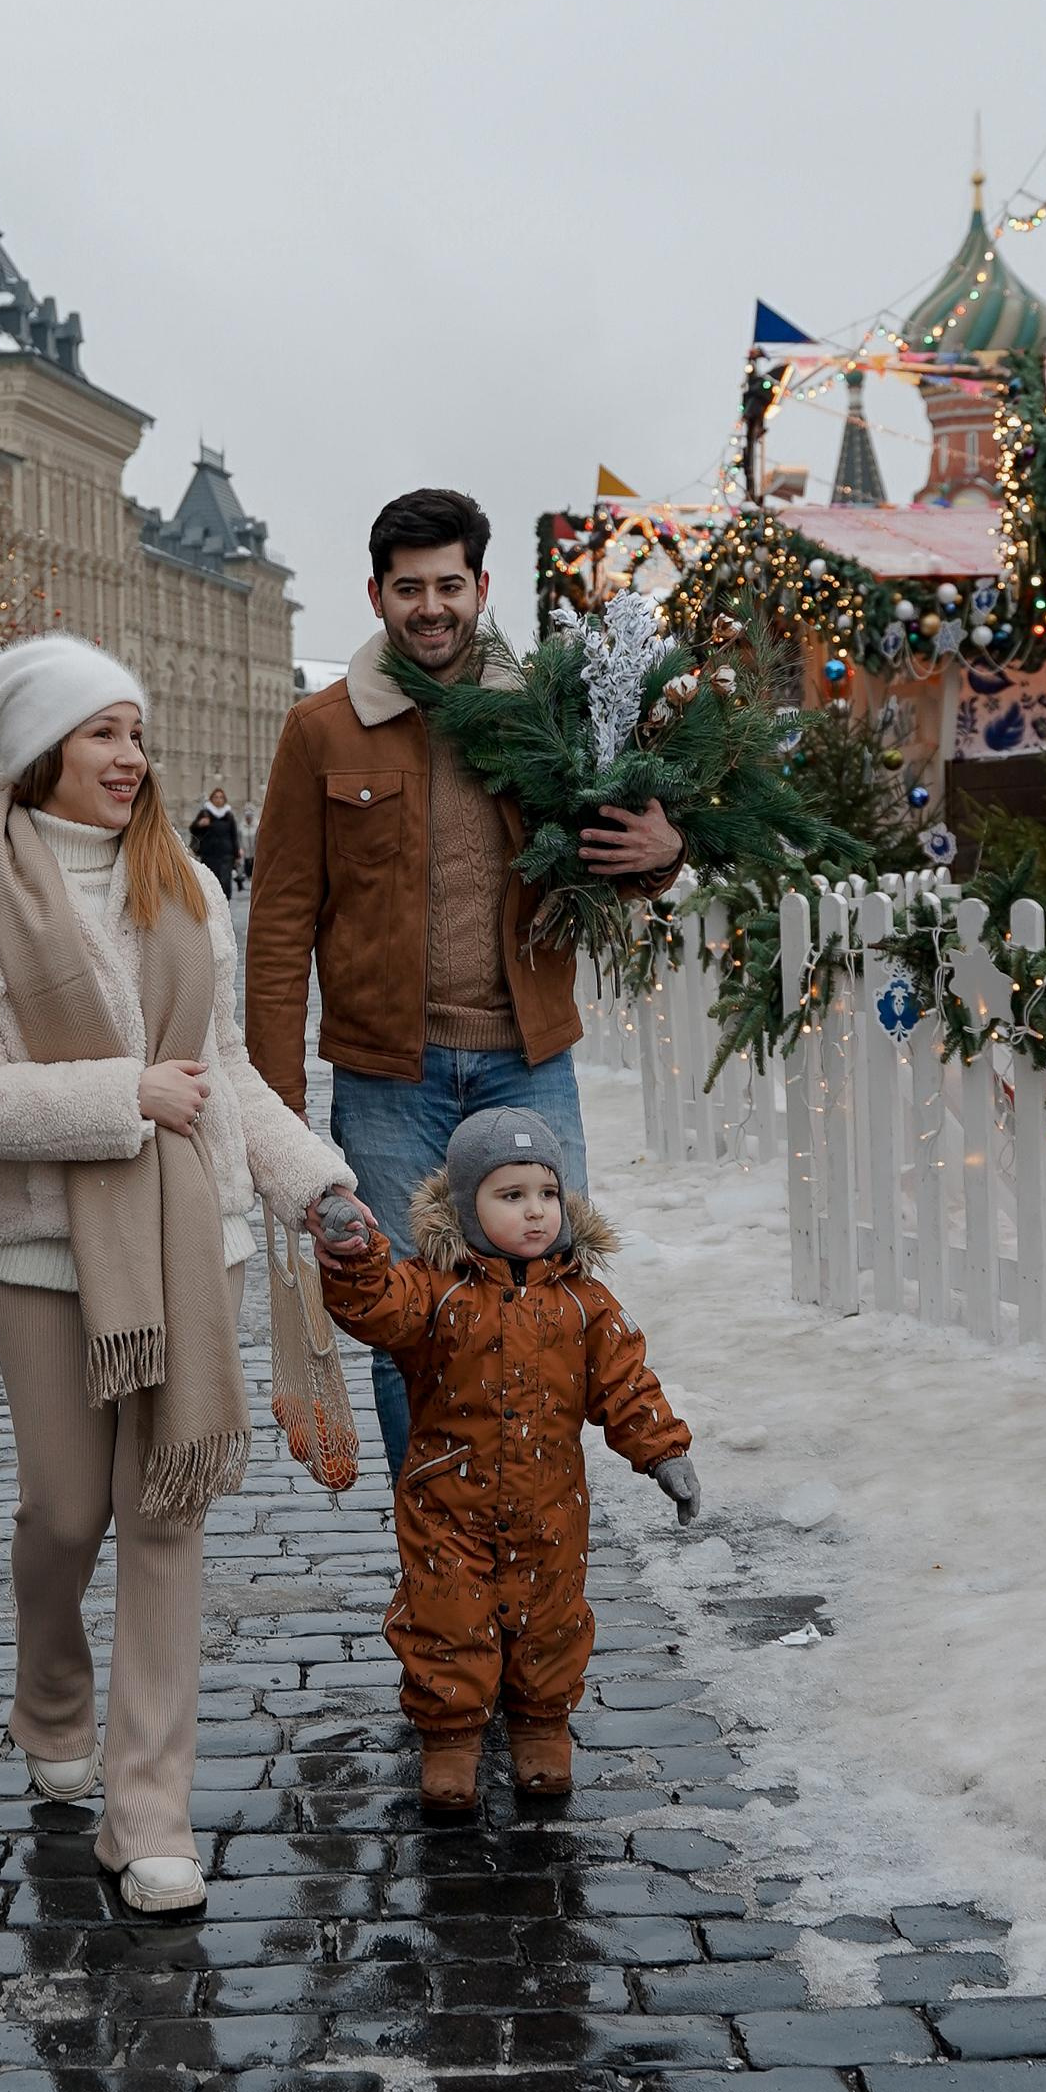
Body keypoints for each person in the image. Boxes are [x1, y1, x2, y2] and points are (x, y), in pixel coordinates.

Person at [0, 633, 352, 1917]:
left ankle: (147, 1809)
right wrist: (120, 1095)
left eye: (135, 732)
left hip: (186, 1242)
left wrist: (307, 1178)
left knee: (166, 1513)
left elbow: (228, 1077)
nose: (130, 757)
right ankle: (50, 1691)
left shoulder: (186, 888)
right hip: (46, 1257)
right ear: (37, 751)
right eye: (103, 733)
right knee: (63, 1513)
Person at [247, 484, 684, 1481]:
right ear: (375, 594)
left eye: (449, 583)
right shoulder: (322, 730)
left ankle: (528, 1539)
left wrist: (665, 848)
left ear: (482, 586)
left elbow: (623, 833)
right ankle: (435, 1546)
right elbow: (278, 926)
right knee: (410, 1319)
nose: (431, 605)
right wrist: (276, 1118)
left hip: (525, 1065)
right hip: (385, 1079)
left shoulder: (546, 716)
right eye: (410, 588)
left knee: (546, 1300)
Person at [310, 1109, 698, 1815]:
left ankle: (541, 1731)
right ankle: (451, 1740)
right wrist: (358, 1255)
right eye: (509, 1195)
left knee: (549, 1620)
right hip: (446, 1502)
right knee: (446, 1618)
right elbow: (374, 1310)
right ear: (465, 1207)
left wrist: (662, 1451)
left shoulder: (583, 1301)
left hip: (549, 1504)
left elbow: (624, 1381)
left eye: (545, 1194)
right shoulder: (434, 1288)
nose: (533, 1212)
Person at [188, 784, 244, 900]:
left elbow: (234, 835)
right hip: (209, 854)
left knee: (225, 881)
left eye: (221, 797)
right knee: (211, 881)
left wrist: (237, 854)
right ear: (212, 799)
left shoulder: (228, 815)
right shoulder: (205, 813)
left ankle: (225, 904)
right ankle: (213, 906)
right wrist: (200, 824)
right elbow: (193, 829)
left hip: (226, 854)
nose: (218, 800)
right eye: (216, 797)